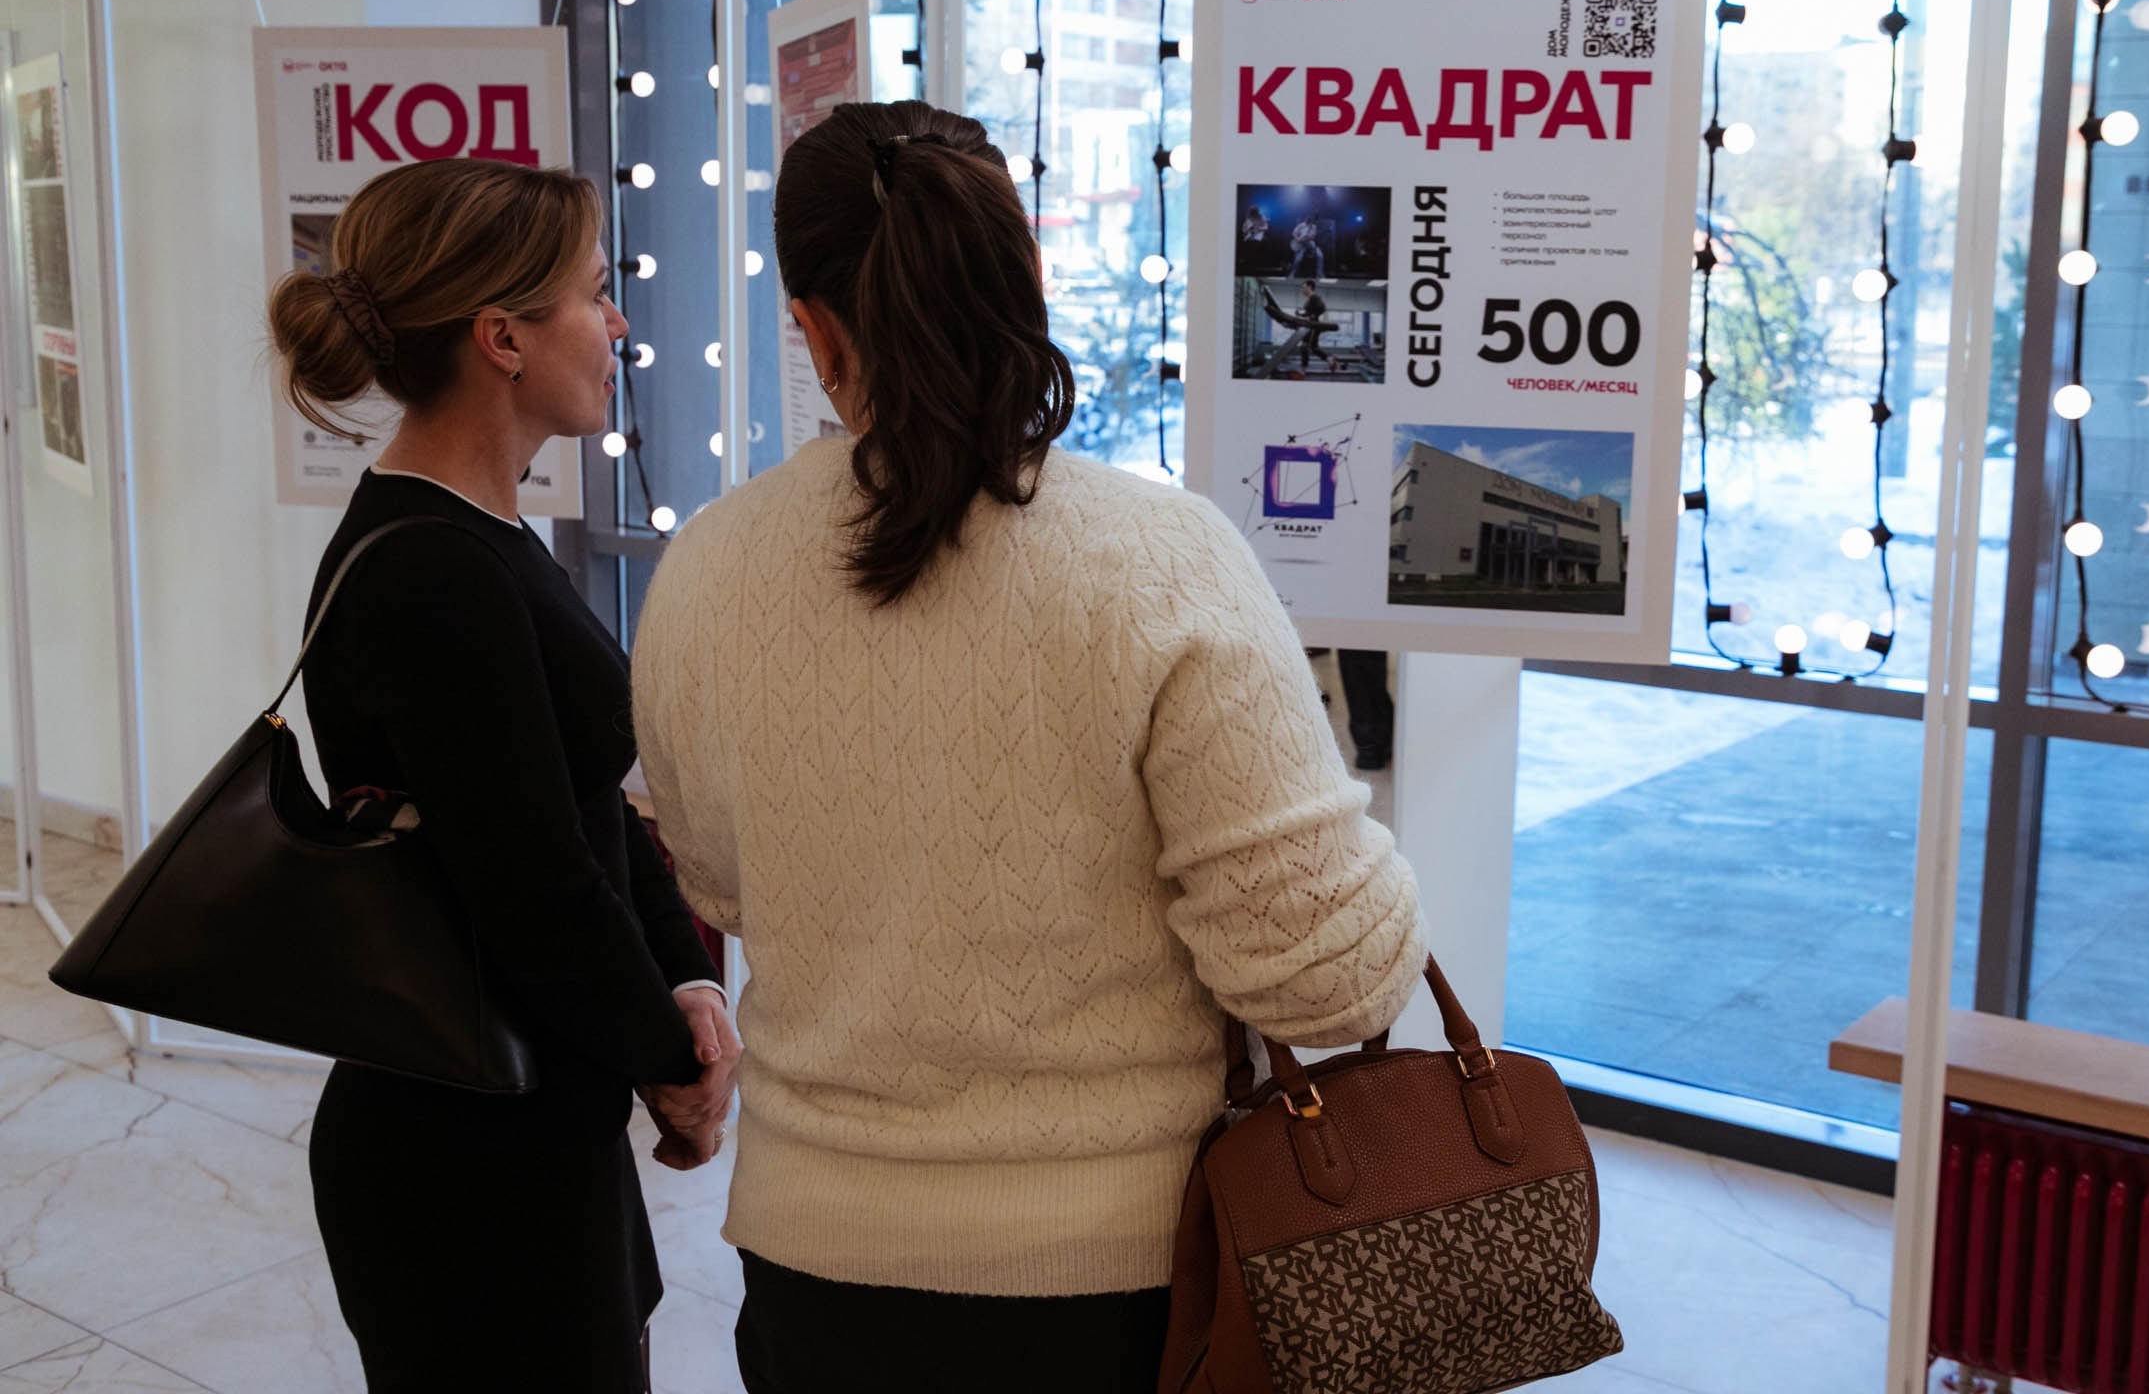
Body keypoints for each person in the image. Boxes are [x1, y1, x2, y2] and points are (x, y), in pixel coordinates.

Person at [632, 100, 1426, 1393]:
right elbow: (1334, 984)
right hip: (1129, 1289)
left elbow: (718, 881)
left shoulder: (709, 567)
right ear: (1027, 280)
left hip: (812, 1276)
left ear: (816, 329)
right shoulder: (1165, 560)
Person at [267, 157, 740, 1393]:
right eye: (595, 292)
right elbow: (530, 882)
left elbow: (579, 805)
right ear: (503, 339)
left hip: (534, 1124)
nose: (620, 320)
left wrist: (685, 974)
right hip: (463, 1156)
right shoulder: (434, 571)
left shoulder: (479, 529)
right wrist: (671, 1063)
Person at [1286, 211, 1325, 278]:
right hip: (1301, 244)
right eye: (1308, 217)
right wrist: (1298, 239)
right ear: (1306, 218)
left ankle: (1319, 274)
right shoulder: (1301, 225)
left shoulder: (1314, 226)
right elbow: (1294, 233)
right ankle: (1292, 273)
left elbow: (1312, 236)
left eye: (1311, 218)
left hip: (1310, 243)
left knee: (1320, 255)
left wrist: (1307, 238)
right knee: (1298, 259)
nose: (1309, 218)